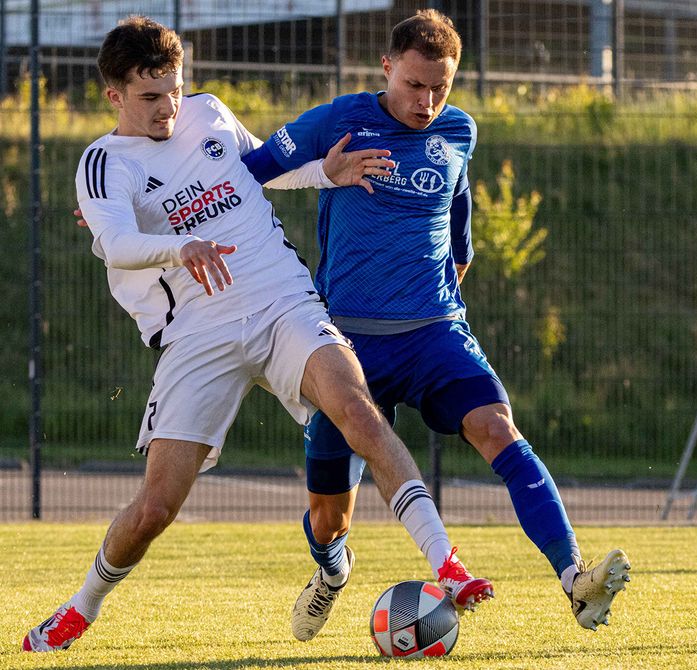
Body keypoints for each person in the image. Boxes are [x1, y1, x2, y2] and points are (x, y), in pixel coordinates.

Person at [23, 16, 492, 654]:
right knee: (156, 508)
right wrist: (178, 247)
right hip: (197, 331)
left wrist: (327, 173)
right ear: (114, 96)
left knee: (358, 406)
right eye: (150, 97)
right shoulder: (103, 163)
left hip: (280, 299)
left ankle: (448, 564)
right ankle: (82, 607)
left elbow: (257, 172)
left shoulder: (208, 113)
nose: (169, 109)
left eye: (175, 91)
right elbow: (113, 243)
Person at [240, 9, 631, 642]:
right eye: (414, 85)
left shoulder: (459, 131)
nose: (425, 102)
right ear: (387, 68)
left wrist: (444, 279)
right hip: (344, 345)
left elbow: (459, 217)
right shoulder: (340, 120)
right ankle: (332, 573)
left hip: (435, 333)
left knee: (498, 428)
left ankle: (574, 579)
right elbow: (248, 173)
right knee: (329, 518)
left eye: (439, 88)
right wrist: (323, 172)